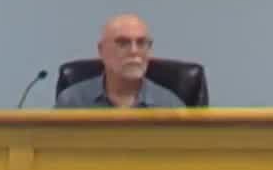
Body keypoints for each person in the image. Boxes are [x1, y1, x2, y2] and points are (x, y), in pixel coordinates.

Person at [56, 14, 186, 108]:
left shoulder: (170, 106)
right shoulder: (73, 102)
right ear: (101, 50)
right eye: (123, 43)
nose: (134, 51)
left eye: (141, 43)